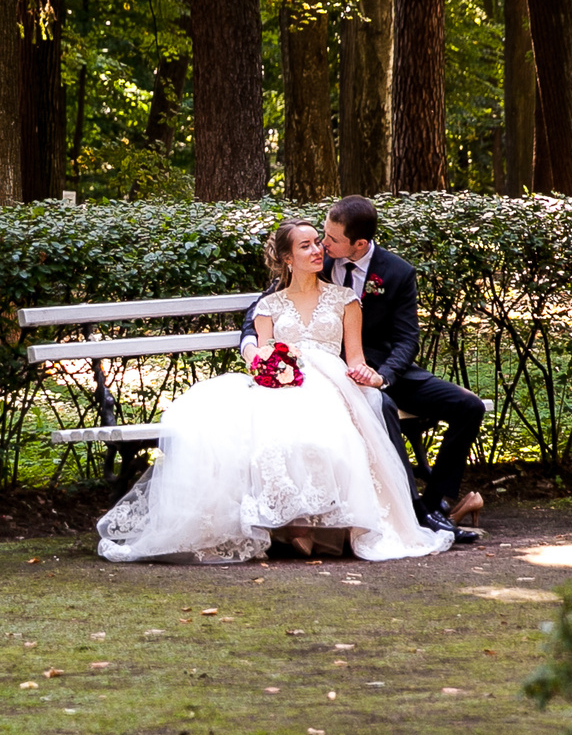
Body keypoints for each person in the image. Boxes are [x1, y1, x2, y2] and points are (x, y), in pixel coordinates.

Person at [96, 218, 453, 564]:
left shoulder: (345, 300)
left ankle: (322, 525)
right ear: (287, 258)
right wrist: (270, 368)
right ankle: (290, 524)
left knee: (329, 432)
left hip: (332, 381)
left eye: (318, 242)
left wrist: (369, 376)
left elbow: (356, 358)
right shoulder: (269, 304)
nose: (318, 250)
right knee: (267, 432)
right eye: (306, 246)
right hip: (283, 382)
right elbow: (261, 357)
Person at [322, 195, 485, 543]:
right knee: (383, 407)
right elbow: (268, 305)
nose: (324, 243)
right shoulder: (315, 262)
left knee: (468, 406)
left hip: (388, 372)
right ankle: (412, 510)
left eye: (332, 238)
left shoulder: (396, 272)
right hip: (334, 374)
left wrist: (384, 376)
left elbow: (407, 339)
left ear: (359, 244)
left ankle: (433, 503)